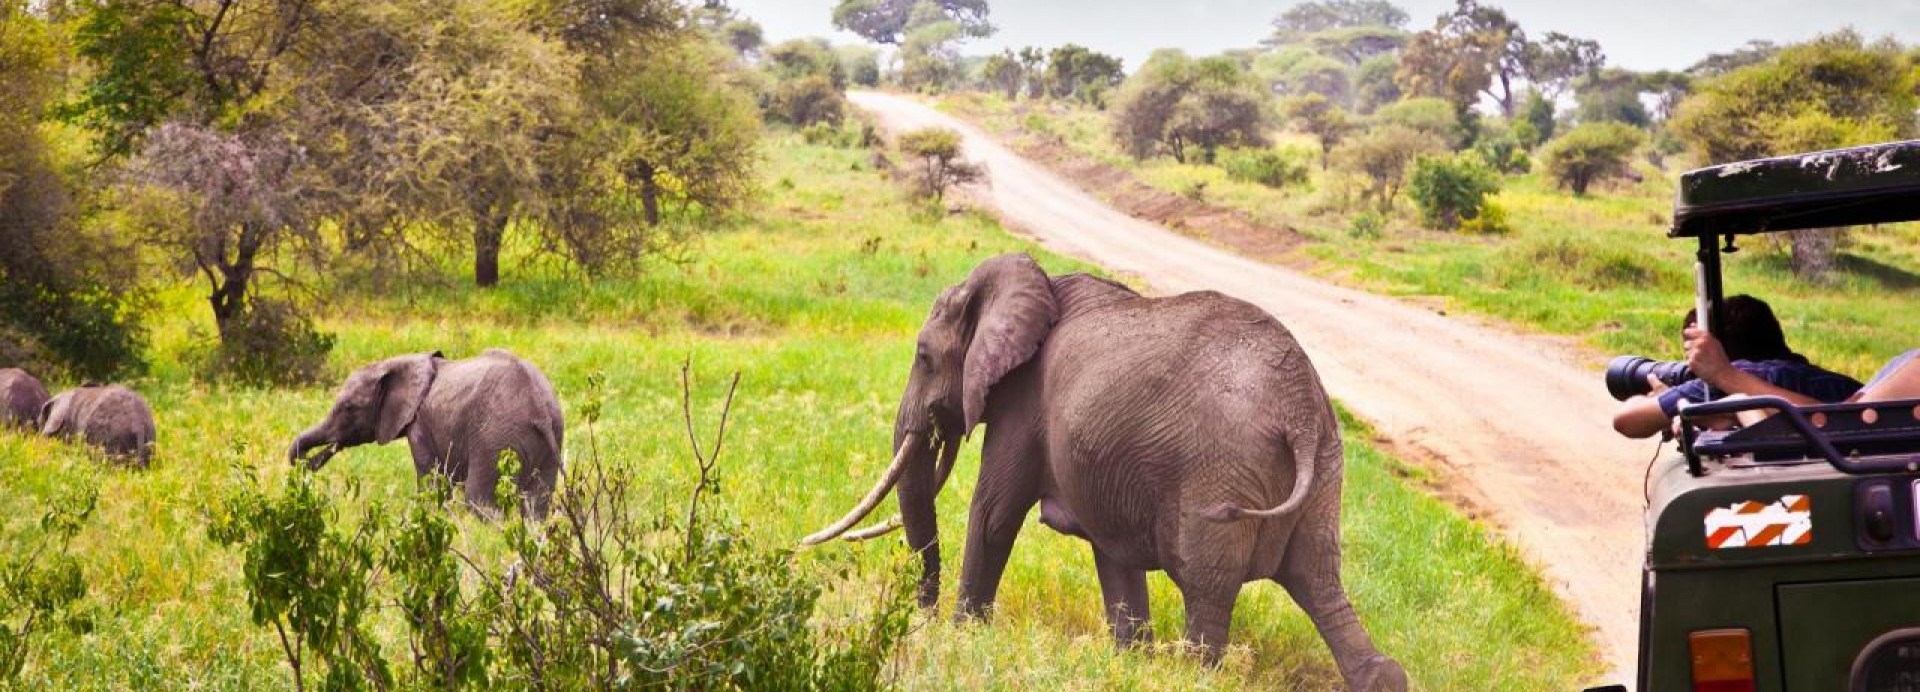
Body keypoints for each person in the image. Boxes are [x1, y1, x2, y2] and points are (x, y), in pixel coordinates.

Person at [1613, 295, 1863, 438]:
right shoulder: (1836, 383)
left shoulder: (1734, 376)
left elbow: (1626, 420)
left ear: (1715, 352)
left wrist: (1668, 397)